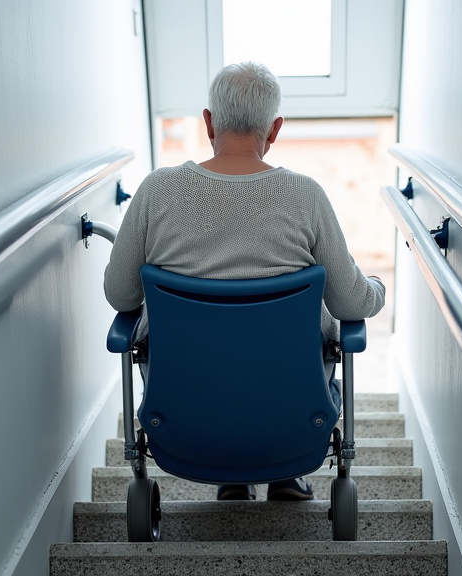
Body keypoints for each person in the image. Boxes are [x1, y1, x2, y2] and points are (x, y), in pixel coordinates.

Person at [104, 62, 385, 501]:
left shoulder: (156, 191)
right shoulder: (305, 196)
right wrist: (377, 289)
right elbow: (351, 304)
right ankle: (283, 471)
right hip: (291, 418)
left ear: (209, 122)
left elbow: (120, 295)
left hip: (186, 418)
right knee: (317, 354)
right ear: (274, 129)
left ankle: (231, 475)